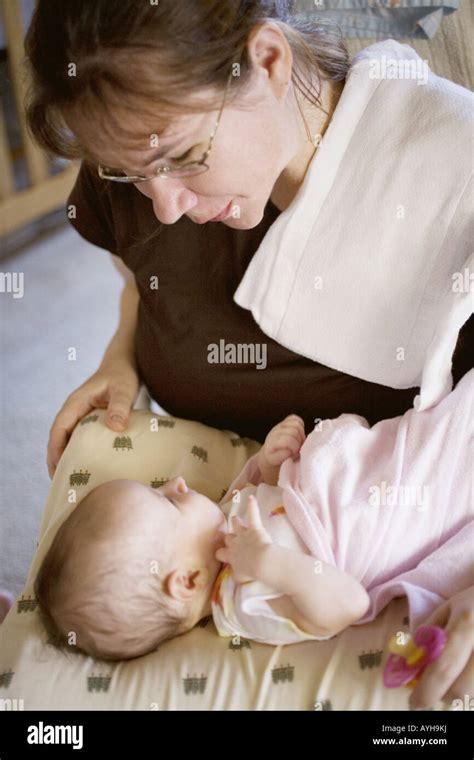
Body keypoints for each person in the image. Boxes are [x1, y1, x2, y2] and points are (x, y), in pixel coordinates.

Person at [23, 1, 473, 475]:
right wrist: (119, 358)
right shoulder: (130, 148)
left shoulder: (450, 178)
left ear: (269, 61)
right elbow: (137, 284)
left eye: (185, 157)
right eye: (126, 173)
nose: (165, 207)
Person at [35, 372, 473, 713]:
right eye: (166, 501)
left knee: (448, 424)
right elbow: (346, 605)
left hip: (365, 471)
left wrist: (268, 463)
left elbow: (260, 492)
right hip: (392, 511)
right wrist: (269, 563)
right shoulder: (247, 602)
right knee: (453, 452)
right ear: (186, 581)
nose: (177, 482)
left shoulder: (219, 525)